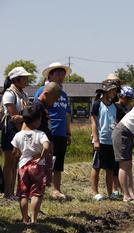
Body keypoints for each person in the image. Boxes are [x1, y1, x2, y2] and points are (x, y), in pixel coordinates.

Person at [34, 62, 72, 199]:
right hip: (47, 133)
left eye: (62, 74)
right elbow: (36, 111)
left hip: (61, 132)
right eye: (57, 73)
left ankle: (56, 190)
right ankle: (39, 188)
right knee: (44, 162)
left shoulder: (64, 95)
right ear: (50, 75)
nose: (61, 76)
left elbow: (67, 114)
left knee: (59, 162)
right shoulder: (42, 90)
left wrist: (68, 132)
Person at [11, 105, 50, 223]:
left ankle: (24, 219)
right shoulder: (40, 134)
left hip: (23, 166)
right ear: (37, 121)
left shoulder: (18, 135)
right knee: (36, 193)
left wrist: (19, 155)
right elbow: (46, 147)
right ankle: (33, 219)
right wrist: (41, 156)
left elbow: (15, 152)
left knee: (23, 194)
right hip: (37, 166)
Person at [1, 66, 31, 199]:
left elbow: (25, 114)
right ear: (17, 79)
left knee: (16, 161)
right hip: (11, 129)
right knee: (9, 162)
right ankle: (7, 192)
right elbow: (13, 116)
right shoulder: (9, 94)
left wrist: (24, 120)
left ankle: (12, 192)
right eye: (24, 78)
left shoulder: (23, 94)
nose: (27, 80)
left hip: (20, 128)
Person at [90, 78, 120, 201]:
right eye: (113, 91)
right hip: (100, 140)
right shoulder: (97, 104)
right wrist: (95, 139)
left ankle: (110, 192)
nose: (114, 93)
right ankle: (94, 192)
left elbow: (115, 122)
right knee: (96, 167)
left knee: (109, 168)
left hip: (111, 141)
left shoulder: (114, 106)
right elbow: (93, 122)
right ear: (107, 91)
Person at [112, 85, 134, 198]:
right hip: (118, 137)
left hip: (127, 136)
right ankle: (115, 188)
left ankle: (124, 188)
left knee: (126, 165)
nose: (129, 100)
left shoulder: (128, 108)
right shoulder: (115, 107)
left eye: (130, 98)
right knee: (117, 165)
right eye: (127, 98)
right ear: (121, 96)